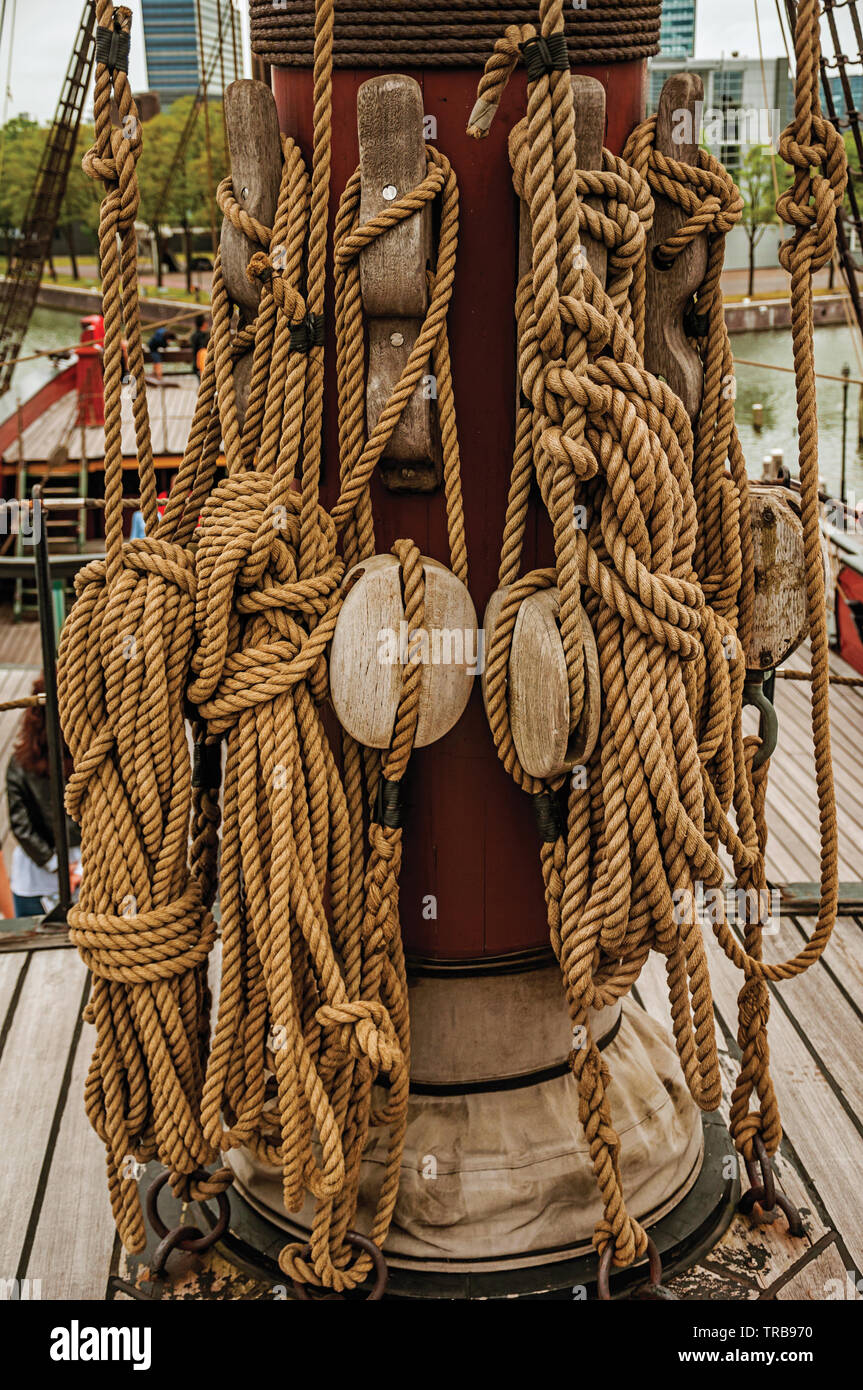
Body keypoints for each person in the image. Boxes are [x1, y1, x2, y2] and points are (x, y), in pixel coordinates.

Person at [5, 677, 80, 918]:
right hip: (88, 867)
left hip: (37, 874)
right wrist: (73, 869)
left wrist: (57, 865)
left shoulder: (19, 763)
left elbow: (21, 825)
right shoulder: (88, 758)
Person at [190, 314, 210, 380]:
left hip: (197, 363)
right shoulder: (203, 336)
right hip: (202, 363)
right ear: (204, 323)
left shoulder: (194, 335)